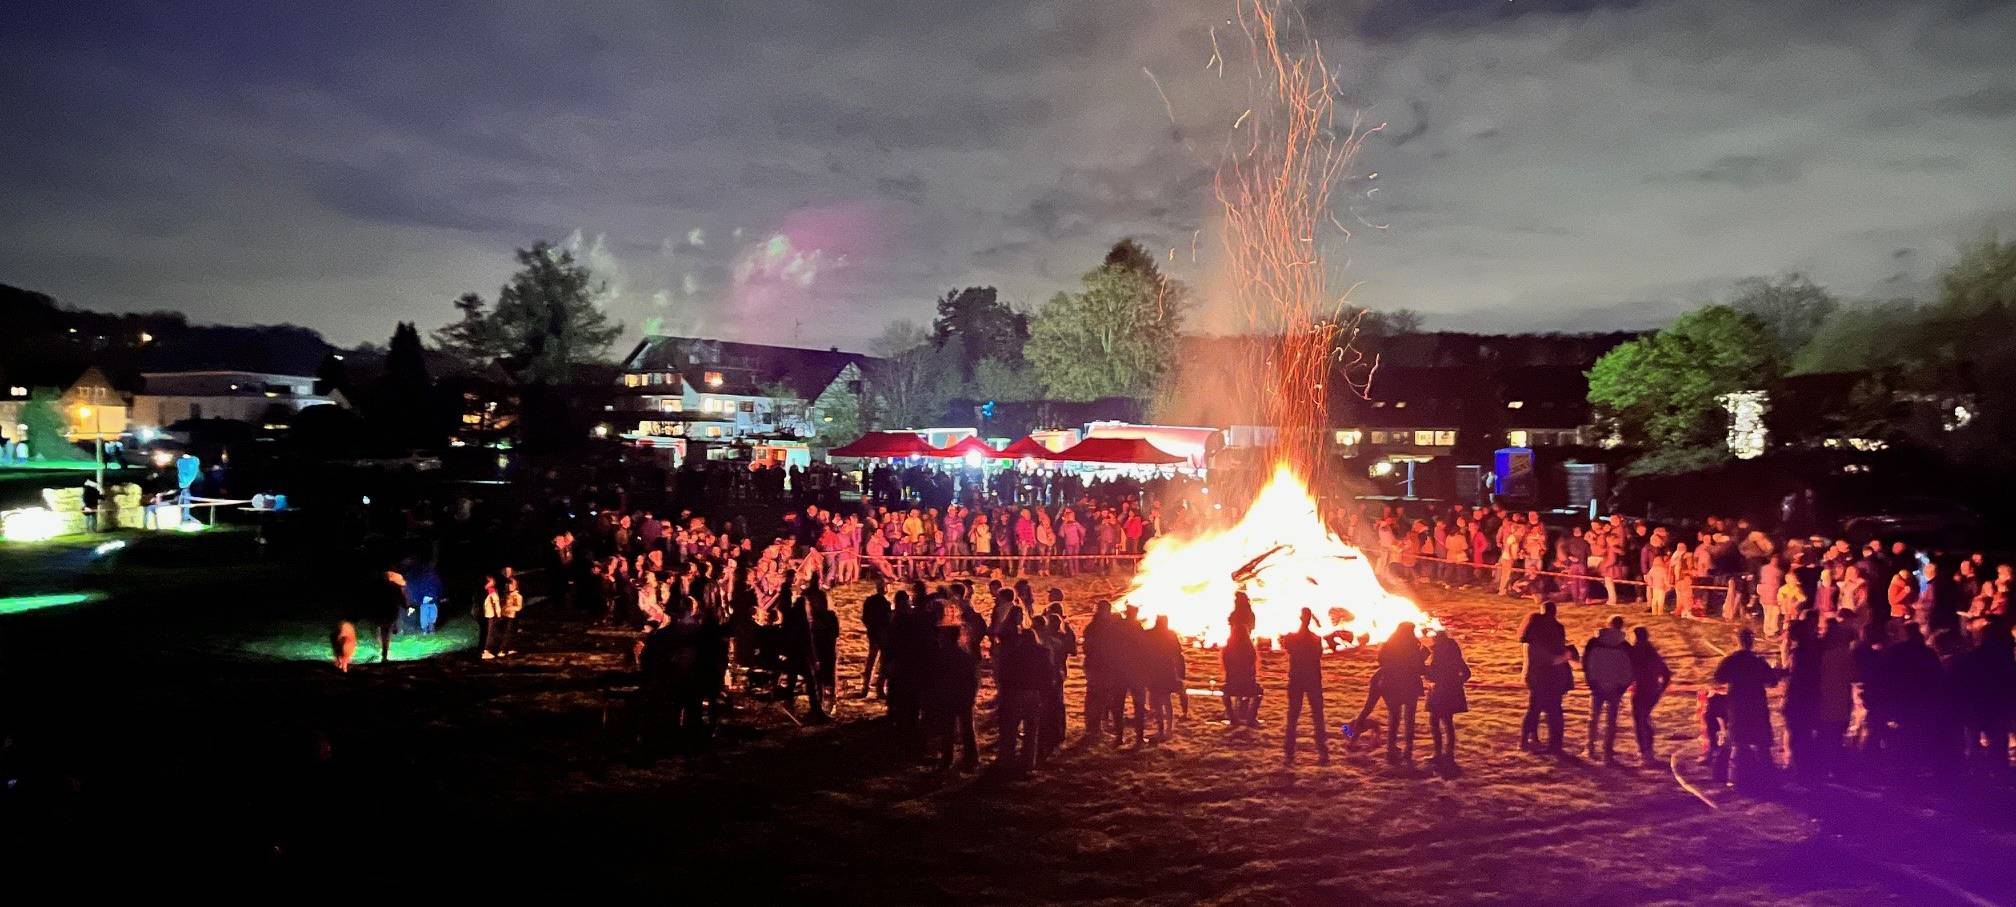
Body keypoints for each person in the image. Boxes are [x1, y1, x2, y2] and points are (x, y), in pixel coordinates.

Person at [1712, 627, 1781, 789]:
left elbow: (1718, 677)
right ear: (1752, 642)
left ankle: (1736, 779)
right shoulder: (1758, 661)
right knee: (1761, 743)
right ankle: (1767, 779)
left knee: (1739, 740)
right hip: (1757, 705)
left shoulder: (1732, 660)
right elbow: (1772, 681)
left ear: (1738, 641)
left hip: (1738, 705)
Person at [1518, 601, 1575, 754]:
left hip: (1537, 678)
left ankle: (1526, 740)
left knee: (1534, 709)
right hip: (1551, 678)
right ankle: (1554, 745)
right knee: (1553, 711)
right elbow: (1551, 659)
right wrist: (1566, 656)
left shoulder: (1531, 638)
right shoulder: (1553, 631)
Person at [1582, 614, 1634, 763]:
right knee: (1611, 721)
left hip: (1597, 685)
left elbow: (1586, 663)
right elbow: (1630, 670)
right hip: (1616, 688)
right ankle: (1607, 751)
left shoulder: (1594, 642)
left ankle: (1589, 747)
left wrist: (1591, 682)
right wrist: (1622, 687)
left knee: (1593, 718)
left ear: (1608, 625)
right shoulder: (1625, 646)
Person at [1282, 608, 1330, 766]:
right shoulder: (1316, 639)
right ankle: (1322, 750)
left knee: (1293, 715)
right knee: (1317, 716)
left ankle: (1289, 750)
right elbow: (1319, 655)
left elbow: (1286, 646)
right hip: (1313, 680)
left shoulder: (1292, 638)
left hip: (1297, 679)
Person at [1377, 622, 1428, 767]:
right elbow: (1420, 668)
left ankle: (1391, 748)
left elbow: (1380, 660)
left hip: (1391, 684)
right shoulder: (1413, 647)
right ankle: (1408, 749)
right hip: (1409, 685)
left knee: (1394, 717)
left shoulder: (1389, 645)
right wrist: (1423, 657)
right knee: (1409, 718)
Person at [1626, 626, 1671, 767]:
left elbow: (1629, 671)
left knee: (1640, 721)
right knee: (1645, 718)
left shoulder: (1635, 652)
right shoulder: (1653, 652)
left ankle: (1645, 752)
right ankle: (1648, 750)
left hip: (1641, 691)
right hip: (1652, 691)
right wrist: (1660, 688)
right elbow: (1666, 673)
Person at [1425, 630, 1471, 767]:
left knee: (1434, 722)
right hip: (1451, 692)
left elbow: (1432, 675)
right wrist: (1458, 682)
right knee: (1448, 722)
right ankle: (1448, 753)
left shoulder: (1438, 656)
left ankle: (1438, 753)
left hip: (1439, 692)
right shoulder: (1455, 656)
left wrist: (1426, 673)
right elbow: (1467, 673)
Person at [1222, 591, 1263, 728]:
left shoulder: (1235, 615)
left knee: (1234, 684)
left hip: (1235, 644)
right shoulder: (1249, 614)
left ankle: (1236, 714)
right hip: (1244, 643)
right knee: (1249, 684)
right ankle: (1246, 712)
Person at [1146, 614, 1185, 739]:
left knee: (1157, 700)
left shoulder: (1150, 634)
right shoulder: (1170, 634)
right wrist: (1180, 671)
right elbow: (1178, 653)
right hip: (1166, 670)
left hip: (1155, 671)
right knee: (1165, 700)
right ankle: (1167, 728)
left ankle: (1162, 728)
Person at [860, 577, 892, 698]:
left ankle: (865, 687)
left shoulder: (869, 601)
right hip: (882, 635)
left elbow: (864, 617)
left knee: (871, 661)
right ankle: (879, 688)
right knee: (883, 662)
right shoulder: (885, 604)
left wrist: (870, 628)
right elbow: (888, 620)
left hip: (873, 634)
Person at [373, 570, 408, 664]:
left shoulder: (379, 587)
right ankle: (384, 653)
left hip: (382, 612)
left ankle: (383, 651)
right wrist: (406, 606)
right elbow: (402, 600)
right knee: (386, 631)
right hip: (390, 612)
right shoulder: (395, 587)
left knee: (383, 630)